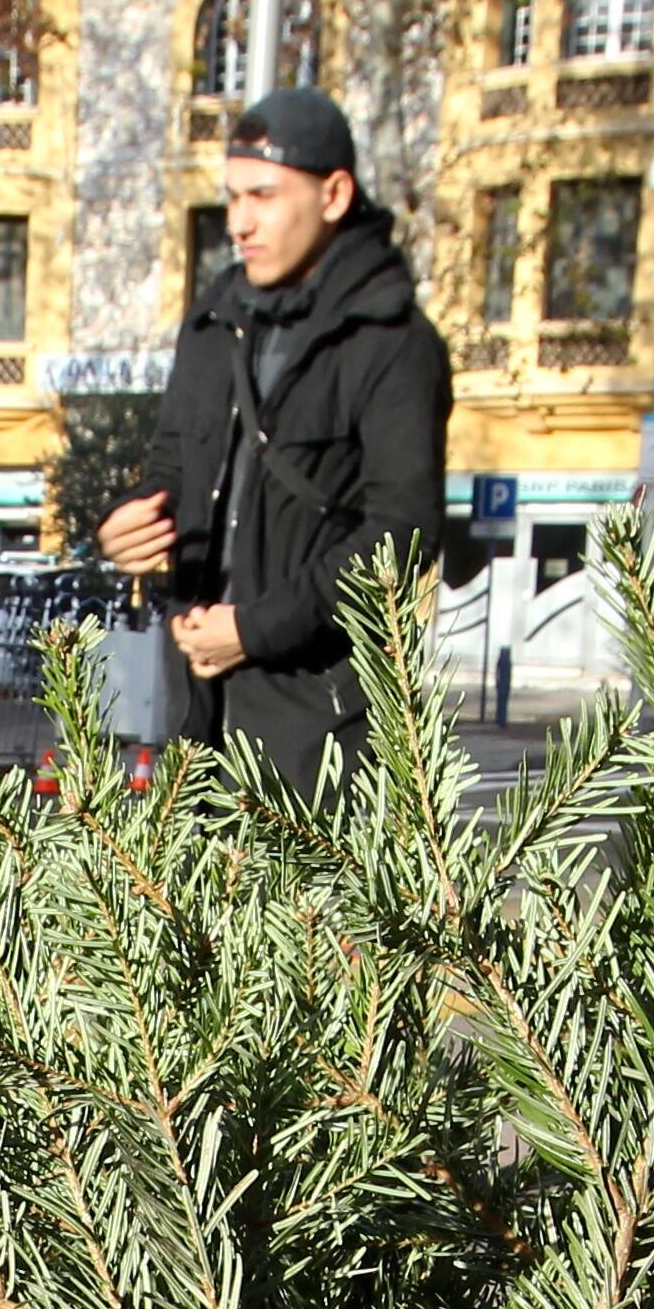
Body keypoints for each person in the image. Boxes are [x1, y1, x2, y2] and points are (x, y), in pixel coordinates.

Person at [96, 88, 452, 787]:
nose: (238, 222)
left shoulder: (394, 343)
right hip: (194, 717)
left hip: (323, 732)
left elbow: (404, 532)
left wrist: (254, 630)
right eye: (231, 198)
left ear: (334, 193)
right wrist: (126, 528)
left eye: (262, 195)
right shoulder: (212, 325)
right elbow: (171, 465)